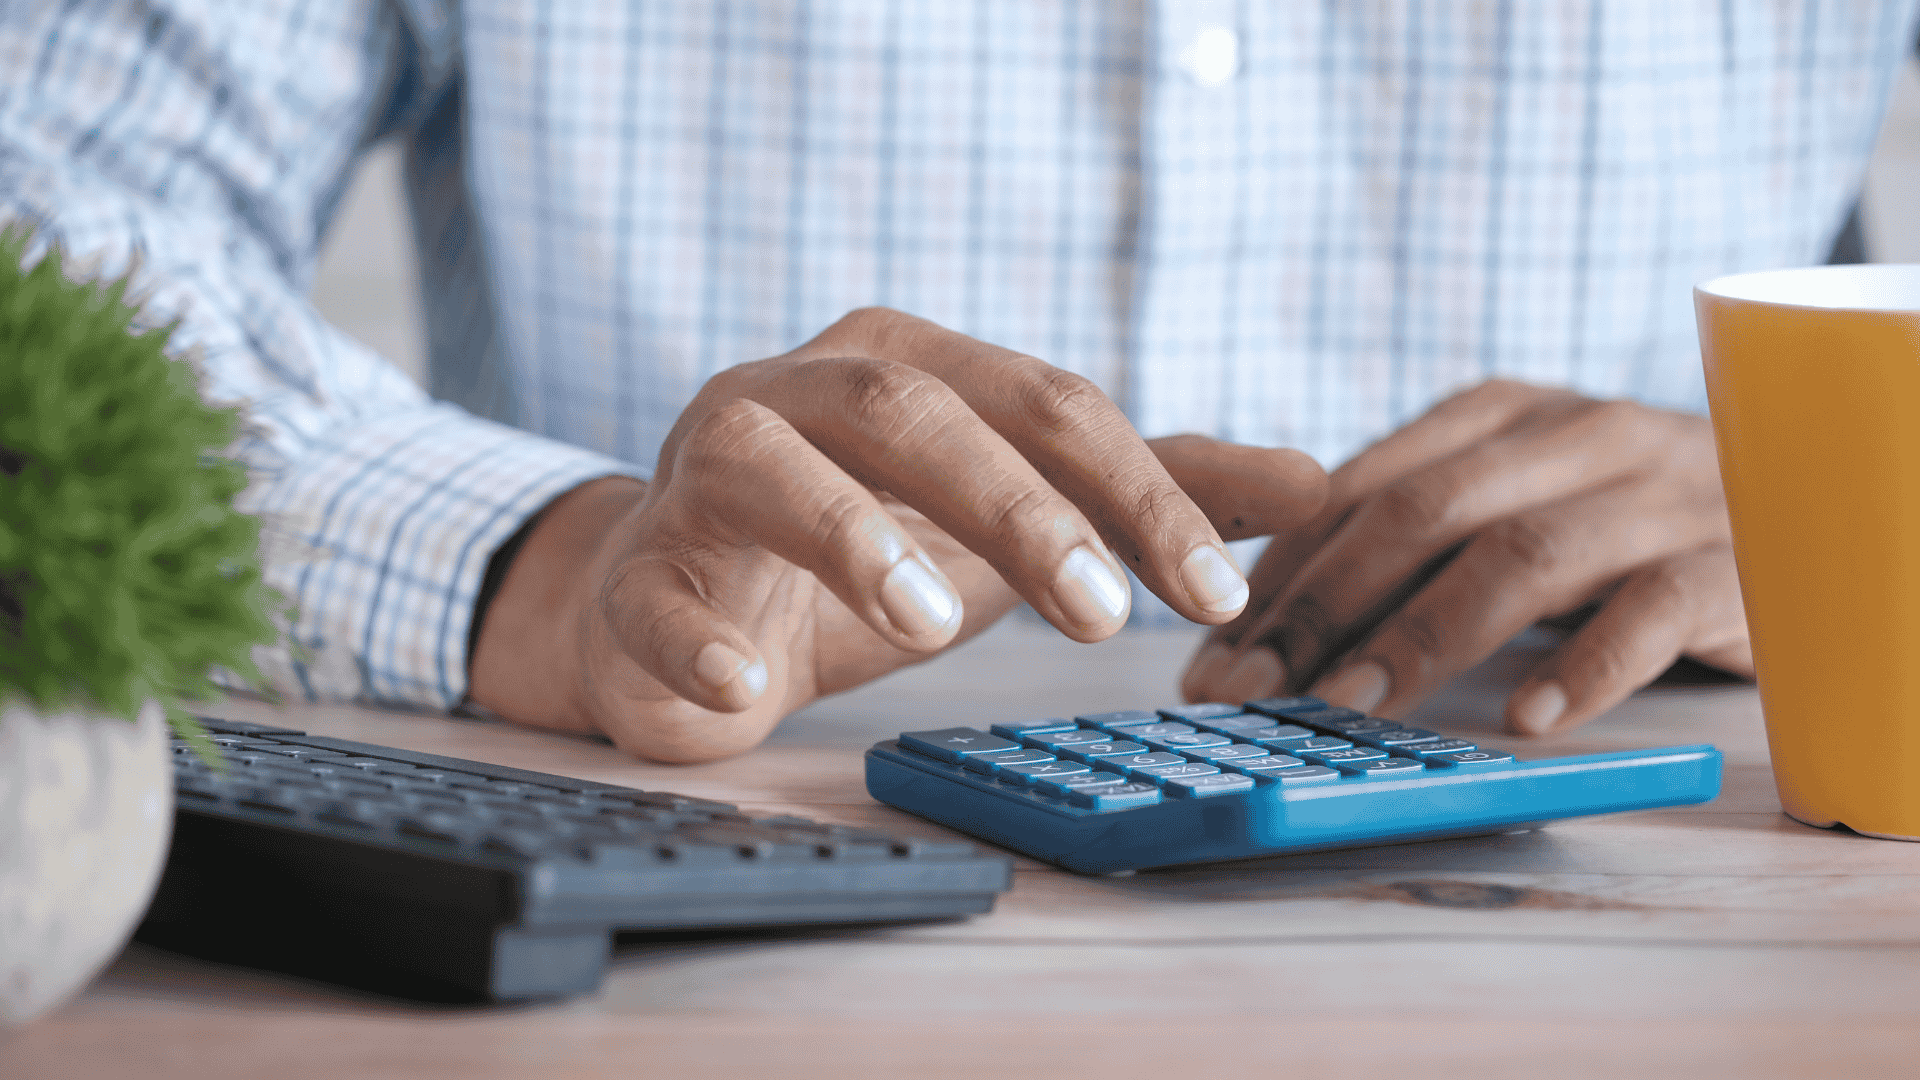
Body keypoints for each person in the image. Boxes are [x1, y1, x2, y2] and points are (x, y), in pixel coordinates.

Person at [5, 1, 1915, 762]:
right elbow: (44, 214)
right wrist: (527, 564)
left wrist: (1873, 499)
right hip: (694, 896)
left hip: (1688, 921)